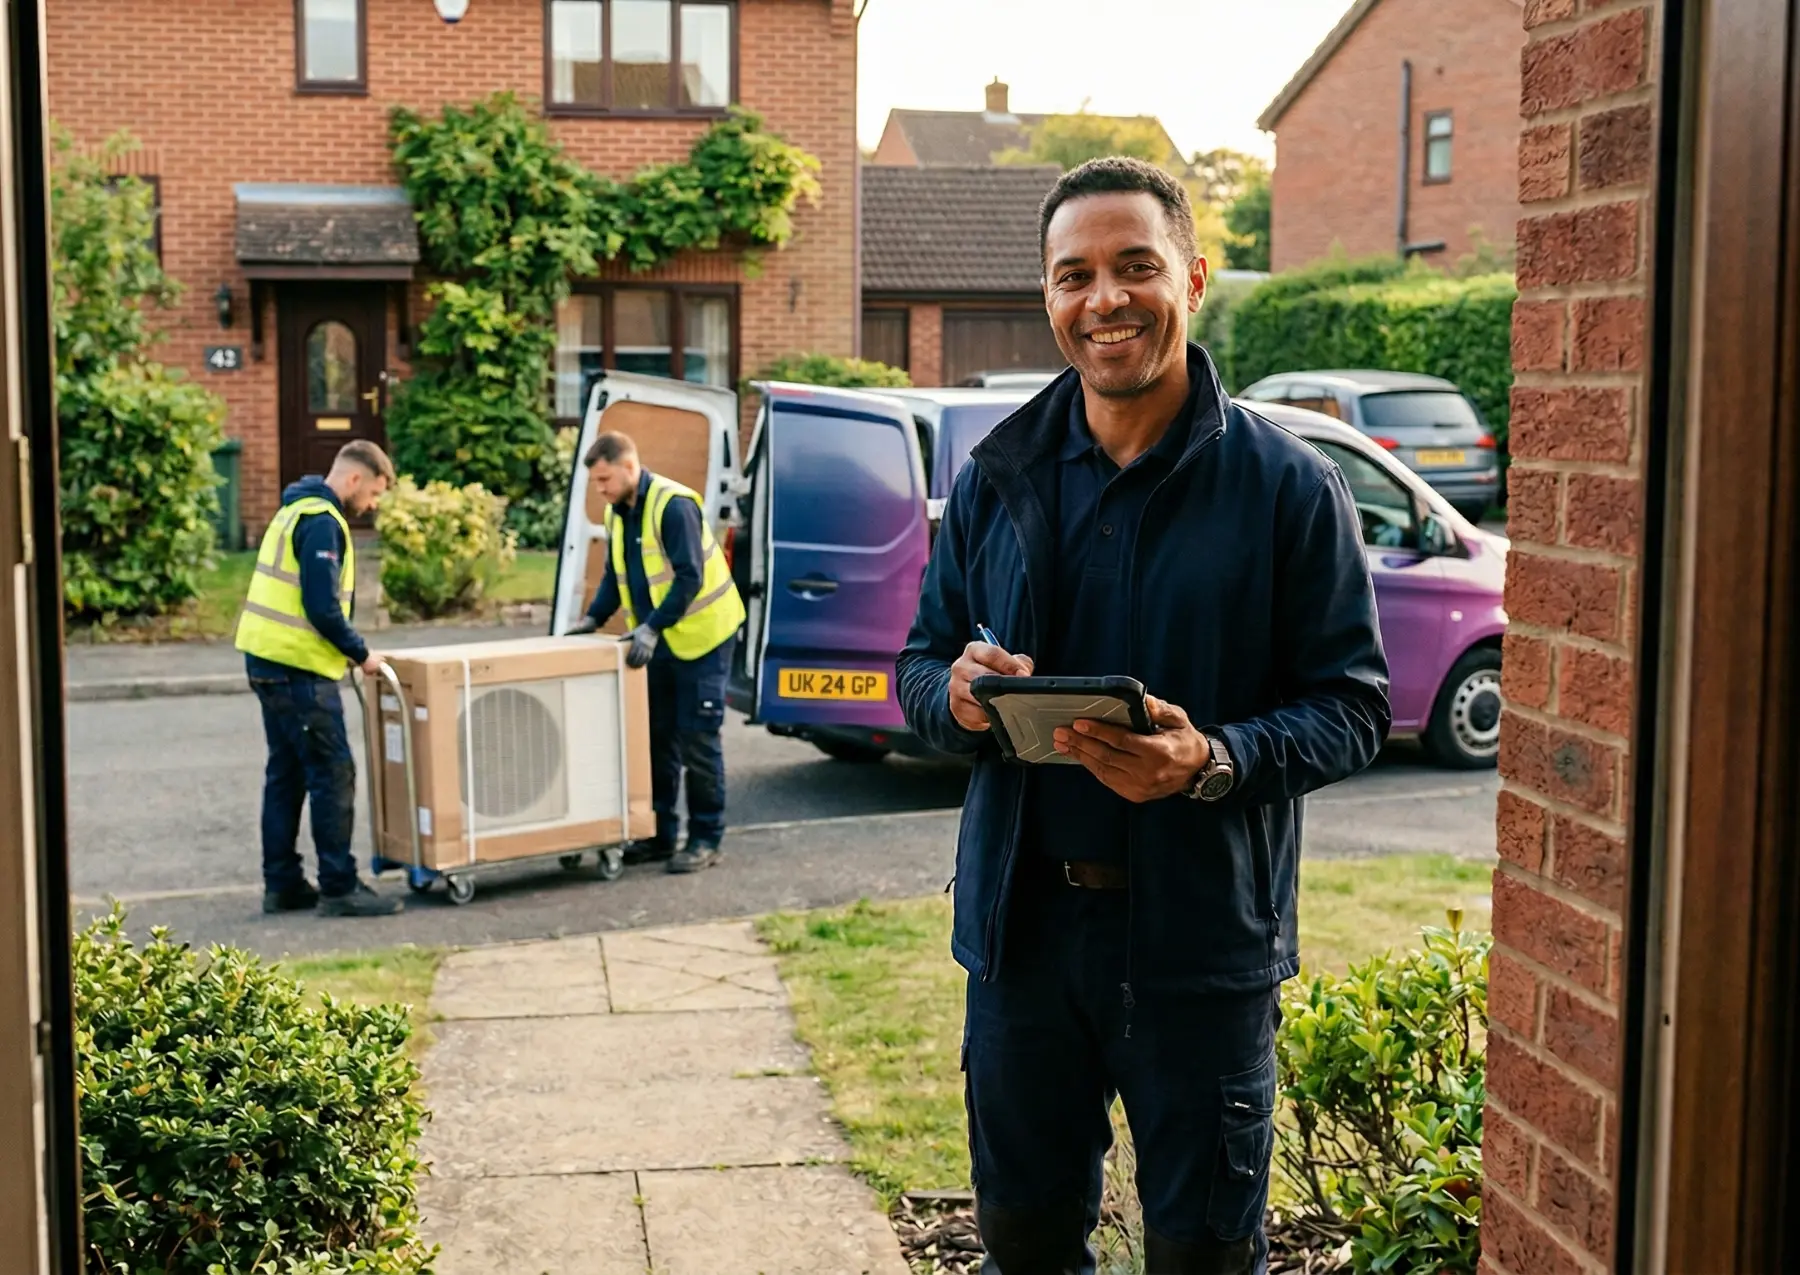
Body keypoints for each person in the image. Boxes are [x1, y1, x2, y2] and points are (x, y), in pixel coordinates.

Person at [897, 157, 1390, 1274]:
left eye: (1136, 267)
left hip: (1201, 948)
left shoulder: (1289, 487)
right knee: (1024, 1247)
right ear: (1049, 297)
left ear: (1195, 277)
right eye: (1076, 275)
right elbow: (920, 663)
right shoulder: (996, 473)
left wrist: (1211, 759)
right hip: (1023, 943)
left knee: (1205, 1255)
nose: (1105, 299)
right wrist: (958, 697)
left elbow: (1355, 705)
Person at [236, 439, 402, 918]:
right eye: (372, 494)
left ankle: (283, 883)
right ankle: (338, 886)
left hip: (267, 663)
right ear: (353, 479)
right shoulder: (322, 523)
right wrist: (363, 654)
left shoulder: (294, 510)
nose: (371, 506)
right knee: (333, 774)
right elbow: (322, 606)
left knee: (286, 775)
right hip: (299, 671)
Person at [569, 432, 746, 873]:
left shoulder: (673, 506)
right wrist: (593, 618)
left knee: (698, 740)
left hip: (704, 639)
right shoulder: (618, 513)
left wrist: (650, 628)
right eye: (596, 482)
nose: (602, 489)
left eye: (606, 479)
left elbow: (689, 578)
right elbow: (616, 574)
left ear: (630, 467)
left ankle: (706, 838)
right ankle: (661, 837)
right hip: (660, 645)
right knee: (657, 739)